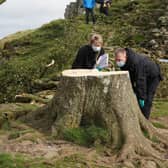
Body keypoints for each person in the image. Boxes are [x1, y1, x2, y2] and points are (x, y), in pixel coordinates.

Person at [114, 48, 163, 119]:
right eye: (116, 60)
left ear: (125, 56)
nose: (118, 62)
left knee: (147, 98)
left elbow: (140, 81)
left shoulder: (136, 62)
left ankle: (145, 119)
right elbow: (128, 78)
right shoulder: (125, 63)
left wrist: (141, 97)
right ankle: (137, 115)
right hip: (142, 76)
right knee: (137, 94)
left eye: (119, 60)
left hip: (152, 76)